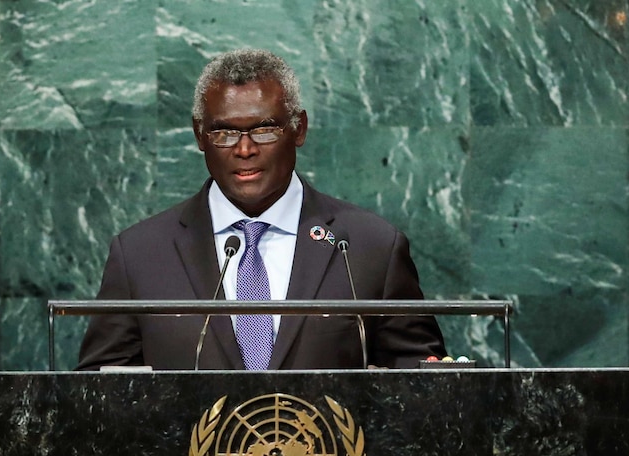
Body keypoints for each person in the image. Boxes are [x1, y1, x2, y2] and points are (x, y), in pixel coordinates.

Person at [76, 49, 446, 371]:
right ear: (199, 136)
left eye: (264, 130)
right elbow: (98, 394)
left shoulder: (370, 247)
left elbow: (419, 379)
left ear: (298, 128)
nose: (244, 149)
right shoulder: (140, 254)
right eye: (224, 133)